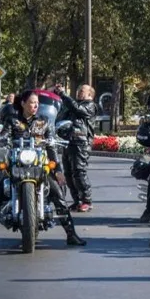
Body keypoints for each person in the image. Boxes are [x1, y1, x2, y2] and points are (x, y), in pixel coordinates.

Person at [0, 90, 86, 248]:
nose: (35, 105)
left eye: (37, 103)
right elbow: (5, 134)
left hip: (39, 165)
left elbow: (51, 146)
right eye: (32, 102)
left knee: (58, 194)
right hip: (16, 163)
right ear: (23, 103)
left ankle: (71, 235)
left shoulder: (44, 121)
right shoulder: (13, 120)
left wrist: (57, 169)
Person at [54, 84, 97, 213]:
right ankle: (77, 200)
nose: (79, 92)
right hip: (69, 142)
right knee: (68, 173)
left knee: (79, 172)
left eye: (82, 91)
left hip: (81, 142)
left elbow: (78, 109)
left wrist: (63, 94)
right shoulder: (71, 105)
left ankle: (86, 201)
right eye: (78, 90)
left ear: (90, 94)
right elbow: (60, 118)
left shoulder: (90, 105)